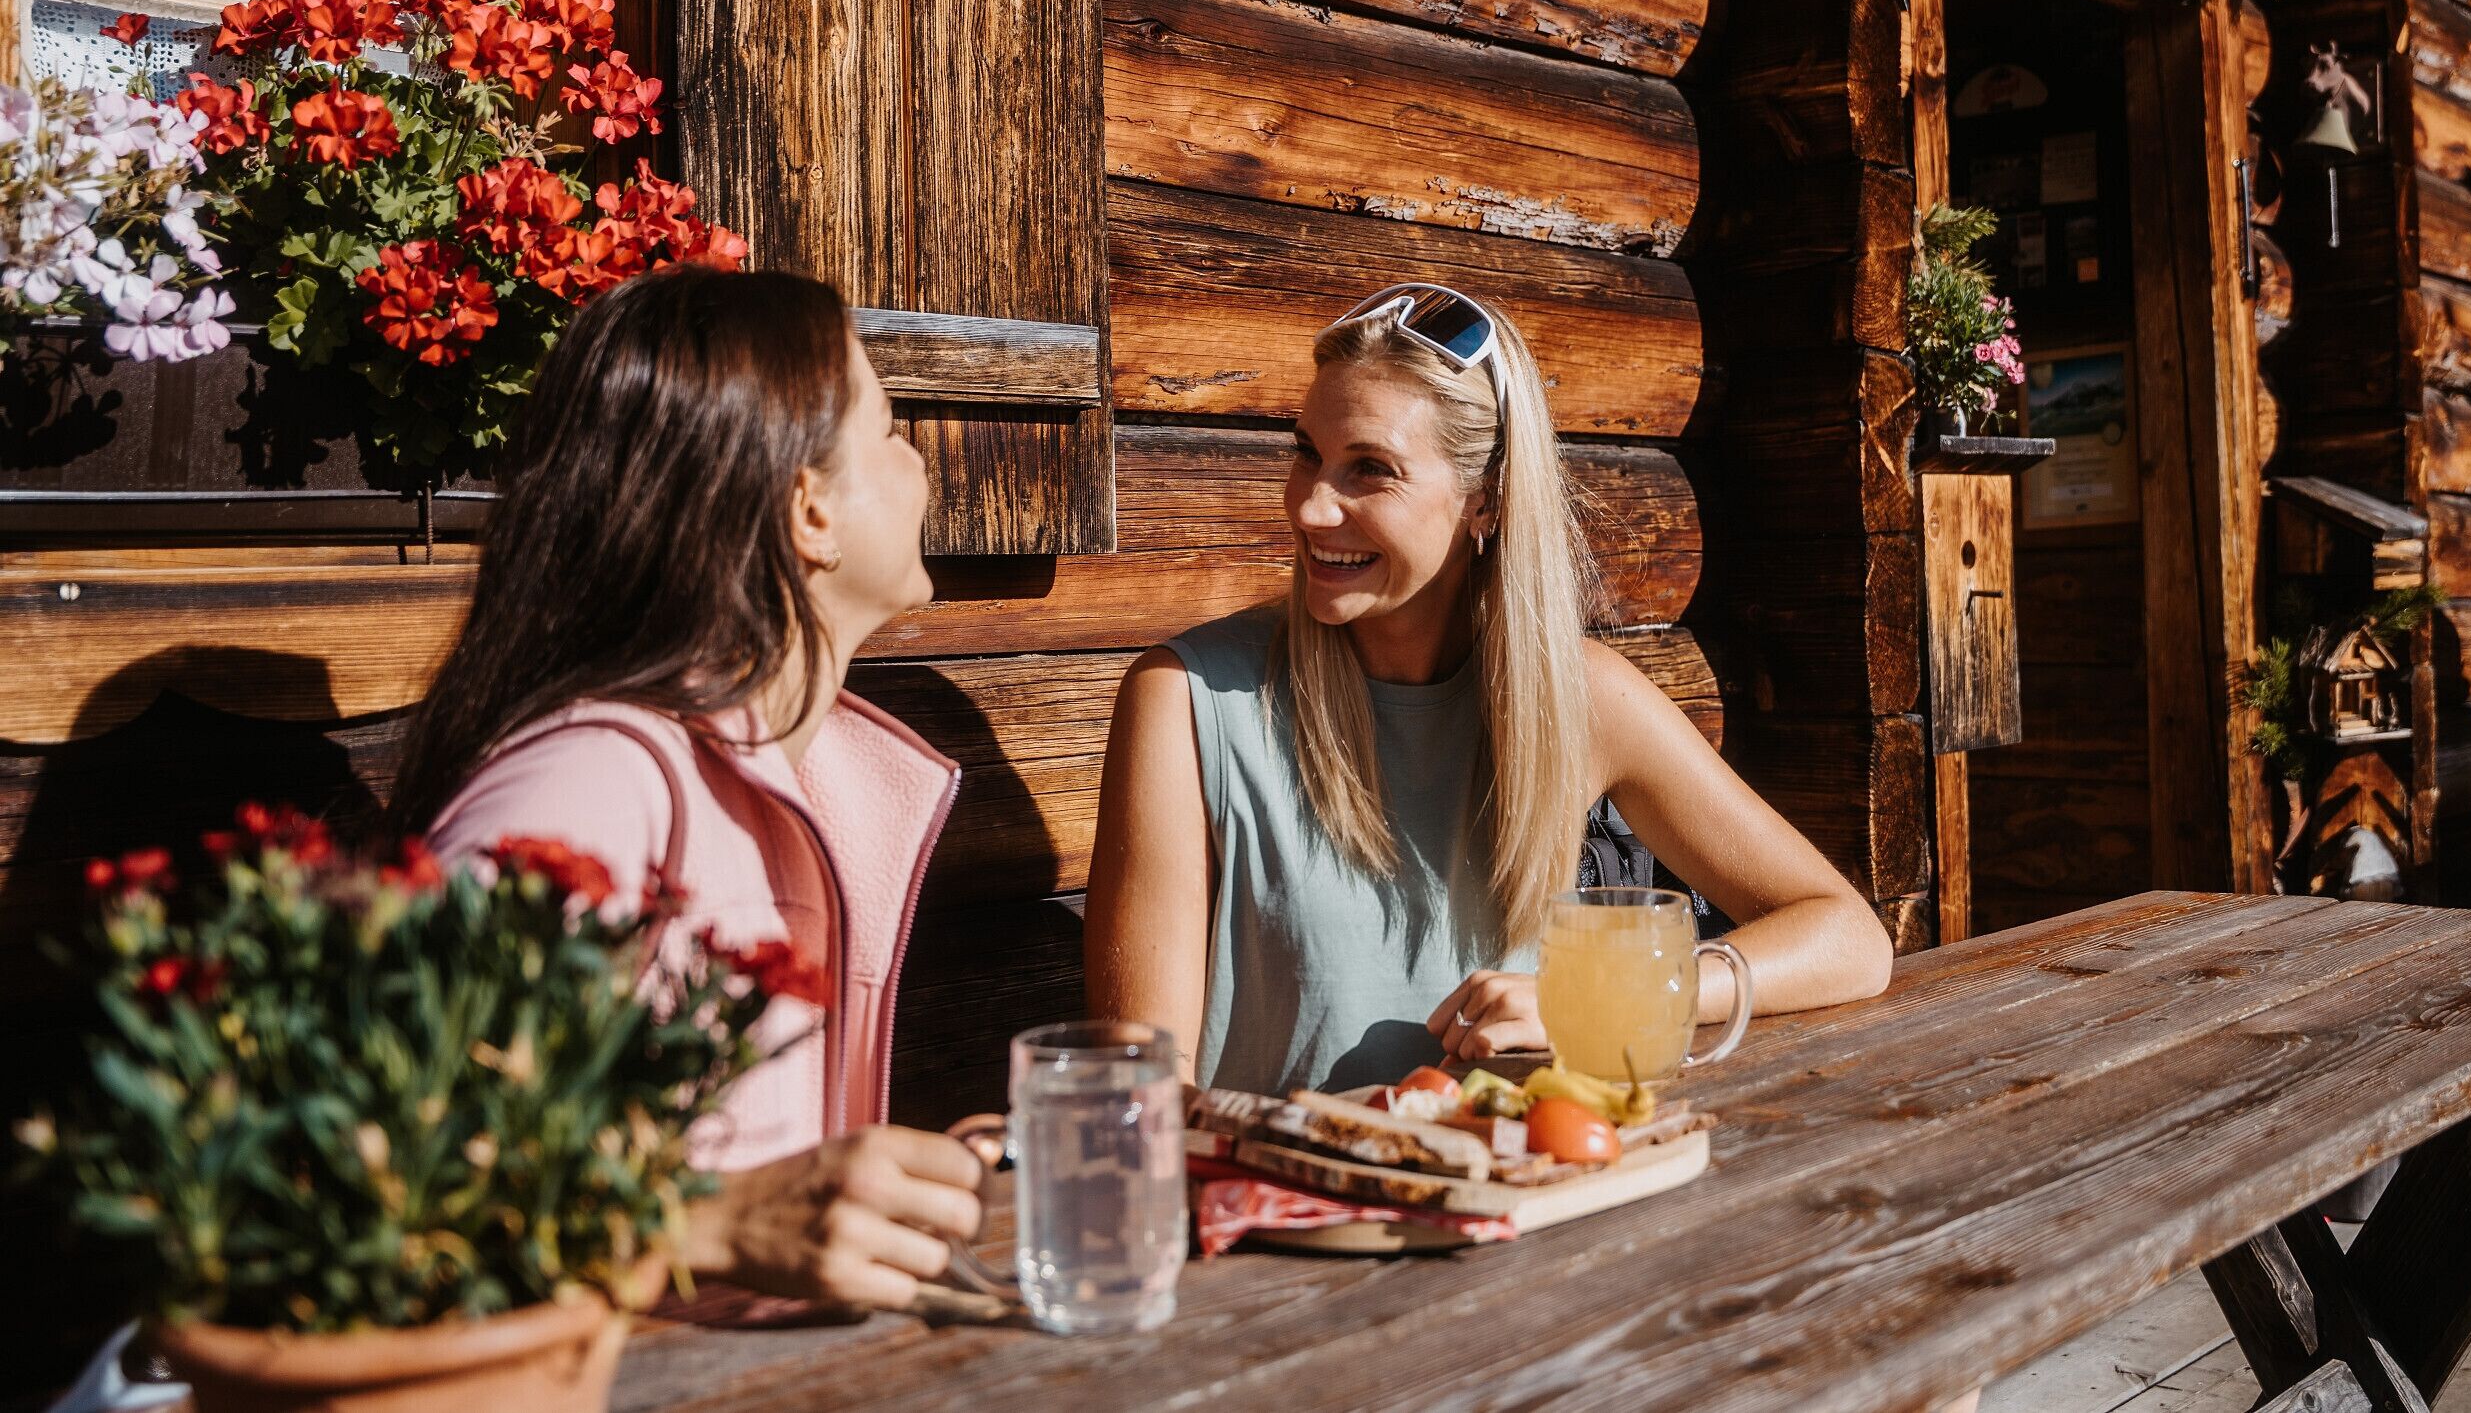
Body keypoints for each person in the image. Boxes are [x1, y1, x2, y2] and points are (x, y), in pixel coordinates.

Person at [1085, 283, 1895, 1096]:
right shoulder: (1185, 702)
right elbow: (1142, 1092)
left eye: (1370, 468)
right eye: (1306, 452)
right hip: (1283, 1204)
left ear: (1488, 497)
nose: (1310, 504)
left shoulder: (1581, 697)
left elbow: (1849, 935)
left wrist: (1609, 997)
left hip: (1527, 1191)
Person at [390, 268, 985, 1314]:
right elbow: (391, 1171)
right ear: (810, 510)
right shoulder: (587, 786)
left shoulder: (814, 773)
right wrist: (712, 1224)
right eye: (891, 430)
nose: (919, 464)